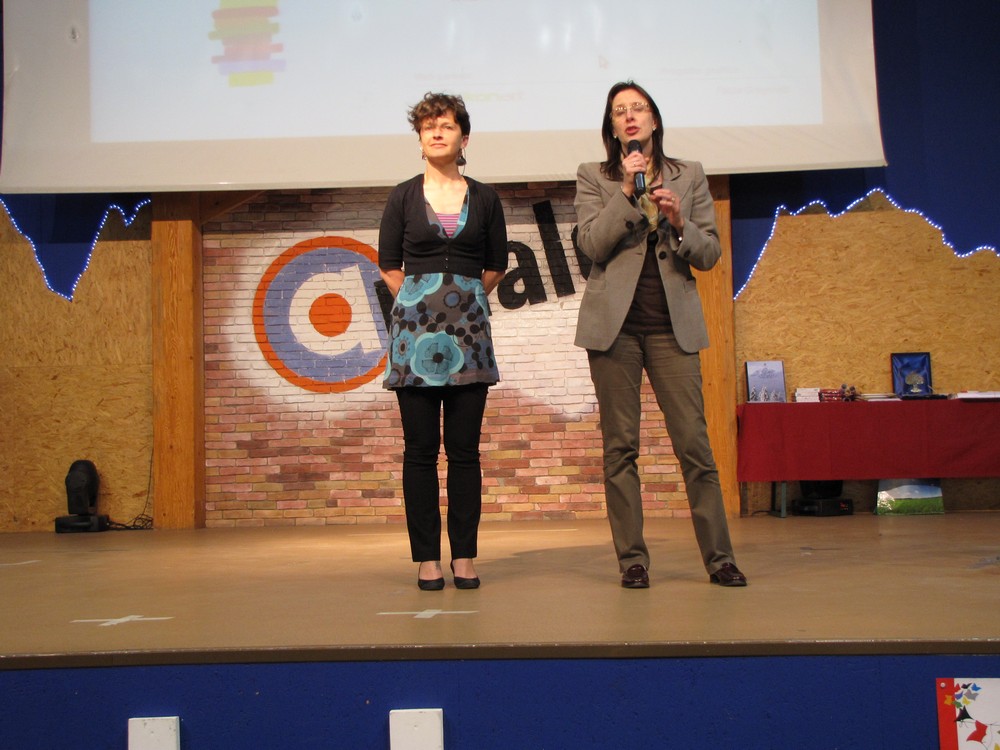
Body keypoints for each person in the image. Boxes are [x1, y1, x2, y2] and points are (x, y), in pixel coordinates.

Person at [574, 80, 747, 589]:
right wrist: (626, 193)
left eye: (638, 108)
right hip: (616, 330)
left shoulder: (689, 174)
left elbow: (709, 254)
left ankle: (720, 559)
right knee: (620, 449)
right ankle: (632, 560)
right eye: (619, 111)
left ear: (653, 120)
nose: (630, 116)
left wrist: (679, 221)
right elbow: (591, 245)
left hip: (673, 328)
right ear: (612, 127)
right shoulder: (594, 176)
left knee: (694, 445)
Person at [378, 92, 508, 591]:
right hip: (413, 339)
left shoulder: (487, 198)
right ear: (419, 139)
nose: (436, 132)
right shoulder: (402, 196)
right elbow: (389, 264)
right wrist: (420, 299)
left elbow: (495, 265)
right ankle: (427, 559)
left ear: (463, 138)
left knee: (464, 452)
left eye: (447, 125)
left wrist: (463, 299)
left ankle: (465, 556)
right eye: (428, 126)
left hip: (469, 336)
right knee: (419, 451)